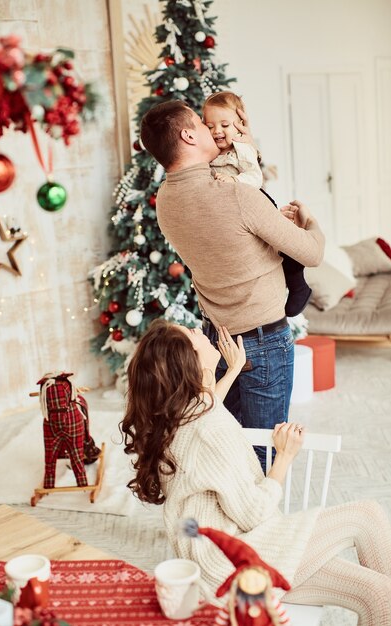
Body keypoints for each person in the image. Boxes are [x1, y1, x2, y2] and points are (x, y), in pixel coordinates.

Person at [121, 319, 391, 626]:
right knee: (368, 516)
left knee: (378, 591)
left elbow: (208, 406)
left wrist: (232, 369)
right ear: (190, 360)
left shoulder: (173, 417)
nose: (198, 330)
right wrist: (285, 456)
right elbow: (254, 512)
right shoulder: (209, 428)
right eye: (192, 335)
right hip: (239, 562)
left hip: (214, 561)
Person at [140, 100, 325, 469]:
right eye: (201, 122)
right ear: (189, 135)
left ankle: (229, 520)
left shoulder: (166, 200)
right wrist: (309, 222)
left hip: (217, 341)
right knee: (263, 450)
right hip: (264, 342)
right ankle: (257, 522)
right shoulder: (237, 195)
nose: (212, 130)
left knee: (228, 443)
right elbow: (312, 253)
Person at [202, 90, 312, 318]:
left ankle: (298, 285)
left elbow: (255, 177)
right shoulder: (211, 152)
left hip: (257, 201)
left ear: (240, 125)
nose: (217, 131)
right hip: (237, 211)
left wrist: (234, 180)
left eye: (224, 124)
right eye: (210, 126)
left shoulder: (242, 148)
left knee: (282, 242)